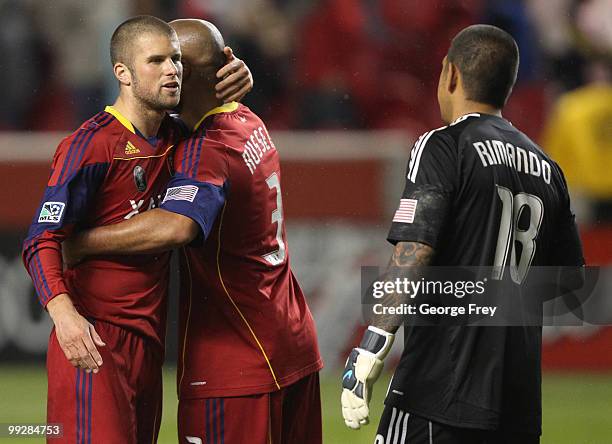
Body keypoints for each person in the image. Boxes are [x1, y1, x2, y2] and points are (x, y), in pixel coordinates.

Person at [64, 20, 323, 444]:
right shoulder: (247, 118)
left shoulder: (207, 147)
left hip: (236, 357)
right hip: (292, 340)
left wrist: (82, 243)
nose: (167, 70)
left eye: (175, 60)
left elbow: (176, 224)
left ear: (189, 75)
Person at [341, 25, 585, 443]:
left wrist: (371, 347)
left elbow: (414, 249)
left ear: (450, 74)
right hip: (517, 402)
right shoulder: (548, 168)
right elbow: (569, 283)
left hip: (438, 390)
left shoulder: (442, 145)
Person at [22, 15, 252, 443]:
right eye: (156, 60)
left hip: (148, 347)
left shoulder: (177, 138)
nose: (172, 70)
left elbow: (219, 117)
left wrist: (243, 77)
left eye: (176, 59)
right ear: (122, 73)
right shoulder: (91, 146)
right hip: (94, 340)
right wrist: (65, 316)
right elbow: (40, 240)